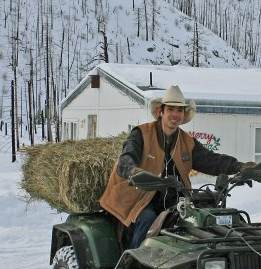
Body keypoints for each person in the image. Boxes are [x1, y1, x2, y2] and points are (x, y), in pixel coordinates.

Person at [99, 85, 252, 249]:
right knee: (147, 218)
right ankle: (133, 266)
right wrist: (135, 172)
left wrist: (240, 166)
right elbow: (125, 160)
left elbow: (212, 160)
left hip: (175, 199)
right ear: (161, 111)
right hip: (138, 197)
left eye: (179, 110)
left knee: (203, 217)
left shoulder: (187, 141)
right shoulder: (141, 134)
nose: (175, 114)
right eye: (171, 109)